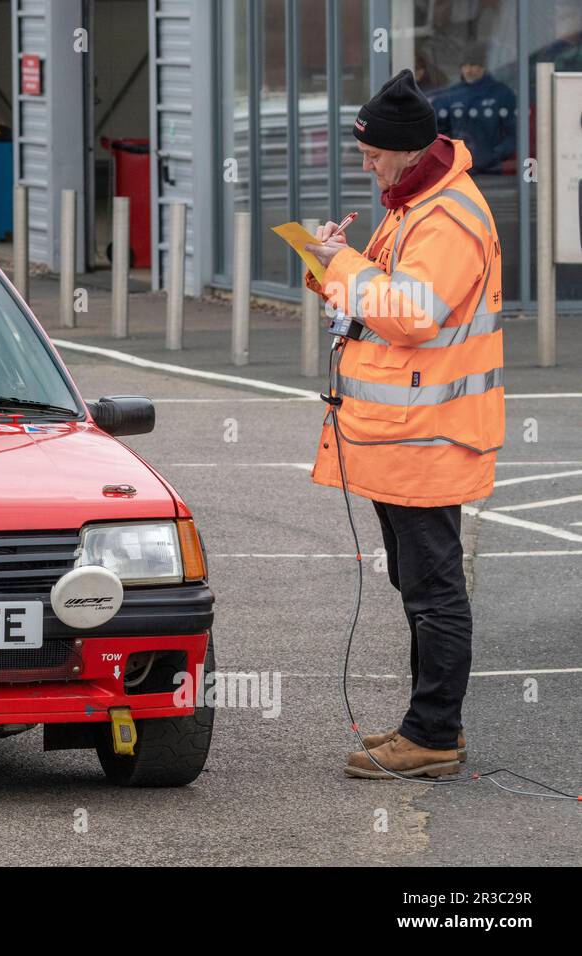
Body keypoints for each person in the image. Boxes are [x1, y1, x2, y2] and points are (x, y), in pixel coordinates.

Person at [303, 69, 504, 780]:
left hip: (428, 435)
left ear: (410, 150)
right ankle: (426, 726)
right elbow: (382, 293)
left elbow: (413, 315)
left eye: (372, 151)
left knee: (432, 588)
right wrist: (330, 265)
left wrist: (346, 265)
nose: (364, 162)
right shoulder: (416, 201)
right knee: (419, 585)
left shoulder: (446, 216)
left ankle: (435, 735)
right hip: (402, 434)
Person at [429, 42, 516, 174]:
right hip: (459, 170)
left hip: (493, 172)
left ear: (483, 67)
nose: (468, 70)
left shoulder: (501, 93)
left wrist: (493, 156)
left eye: (474, 65)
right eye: (465, 65)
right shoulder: (450, 95)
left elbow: (513, 134)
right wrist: (450, 156)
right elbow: (437, 132)